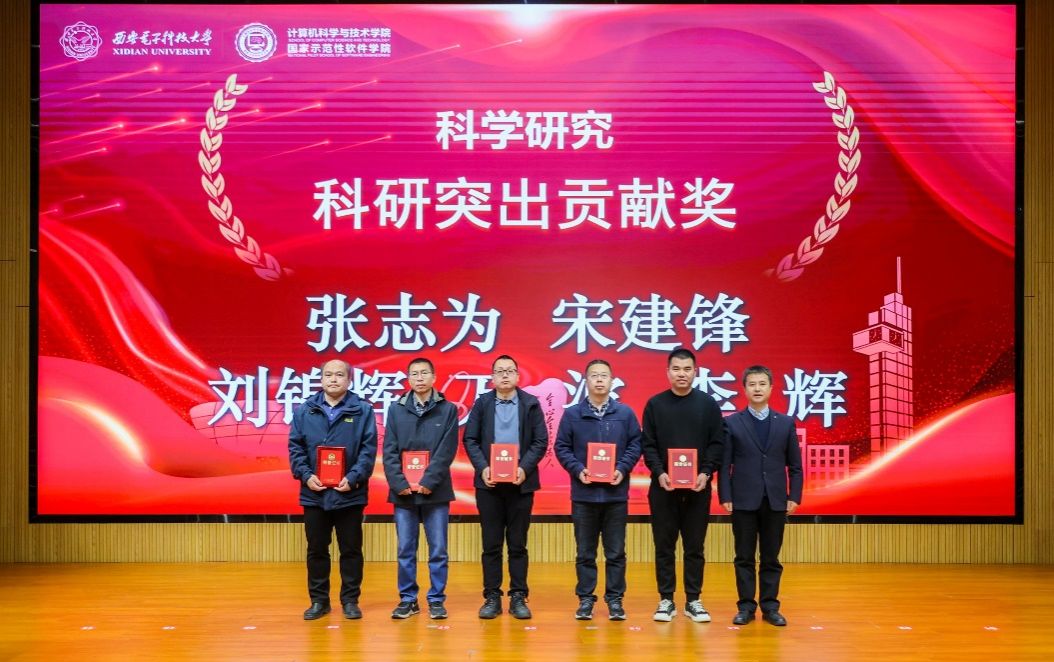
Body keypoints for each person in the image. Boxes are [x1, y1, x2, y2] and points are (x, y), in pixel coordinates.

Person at [288, 359, 378, 621]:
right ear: (321, 379)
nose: (333, 379)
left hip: (350, 492)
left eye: (339, 375)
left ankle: (350, 600)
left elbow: (368, 450)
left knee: (351, 550)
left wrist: (353, 477)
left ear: (349, 380)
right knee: (317, 549)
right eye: (328, 375)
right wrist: (306, 476)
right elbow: (295, 448)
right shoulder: (305, 410)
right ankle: (319, 601)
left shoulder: (362, 410)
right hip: (314, 493)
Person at [641, 347, 725, 623]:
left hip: (698, 489)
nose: (682, 374)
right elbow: (648, 444)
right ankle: (666, 599)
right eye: (676, 369)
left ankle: (693, 600)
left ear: (695, 372)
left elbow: (717, 443)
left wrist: (706, 472)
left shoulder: (708, 404)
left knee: (694, 547)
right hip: (663, 488)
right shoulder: (655, 405)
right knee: (664, 546)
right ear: (668, 372)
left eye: (687, 369)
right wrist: (659, 472)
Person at [463, 354, 550, 620]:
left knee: (517, 544)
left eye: (509, 371)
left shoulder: (530, 404)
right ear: (492, 377)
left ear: (517, 376)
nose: (504, 375)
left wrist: (524, 468)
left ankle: (518, 596)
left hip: (520, 485)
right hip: (489, 485)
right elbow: (470, 439)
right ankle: (492, 596)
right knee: (491, 544)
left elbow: (540, 441)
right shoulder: (482, 403)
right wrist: (483, 468)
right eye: (499, 371)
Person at [554, 359, 642, 621]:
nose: (600, 380)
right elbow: (561, 447)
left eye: (604, 375)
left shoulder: (625, 413)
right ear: (586, 381)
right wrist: (578, 469)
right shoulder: (573, 414)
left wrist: (622, 469)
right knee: (585, 553)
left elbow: (636, 444)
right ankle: (585, 600)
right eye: (594, 376)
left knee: (615, 553)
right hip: (584, 496)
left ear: (612, 381)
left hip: (616, 495)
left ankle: (615, 600)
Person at [719, 365, 803, 627]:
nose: (757, 388)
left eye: (762, 384)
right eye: (752, 384)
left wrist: (794, 495)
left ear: (771, 388)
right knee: (744, 557)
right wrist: (725, 495)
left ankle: (770, 606)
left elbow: (795, 466)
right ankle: (745, 607)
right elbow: (725, 464)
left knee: (771, 557)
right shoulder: (732, 422)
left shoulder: (785, 423)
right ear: (744, 389)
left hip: (775, 500)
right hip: (743, 499)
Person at [382, 357, 460, 621]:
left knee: (438, 550)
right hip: (403, 492)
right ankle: (408, 599)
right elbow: (389, 450)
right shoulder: (396, 410)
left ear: (434, 377)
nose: (419, 378)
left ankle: (436, 600)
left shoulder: (447, 409)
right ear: (408, 379)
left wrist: (428, 481)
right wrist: (399, 483)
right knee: (405, 549)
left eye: (424, 373)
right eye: (414, 374)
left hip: (436, 491)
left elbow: (447, 449)